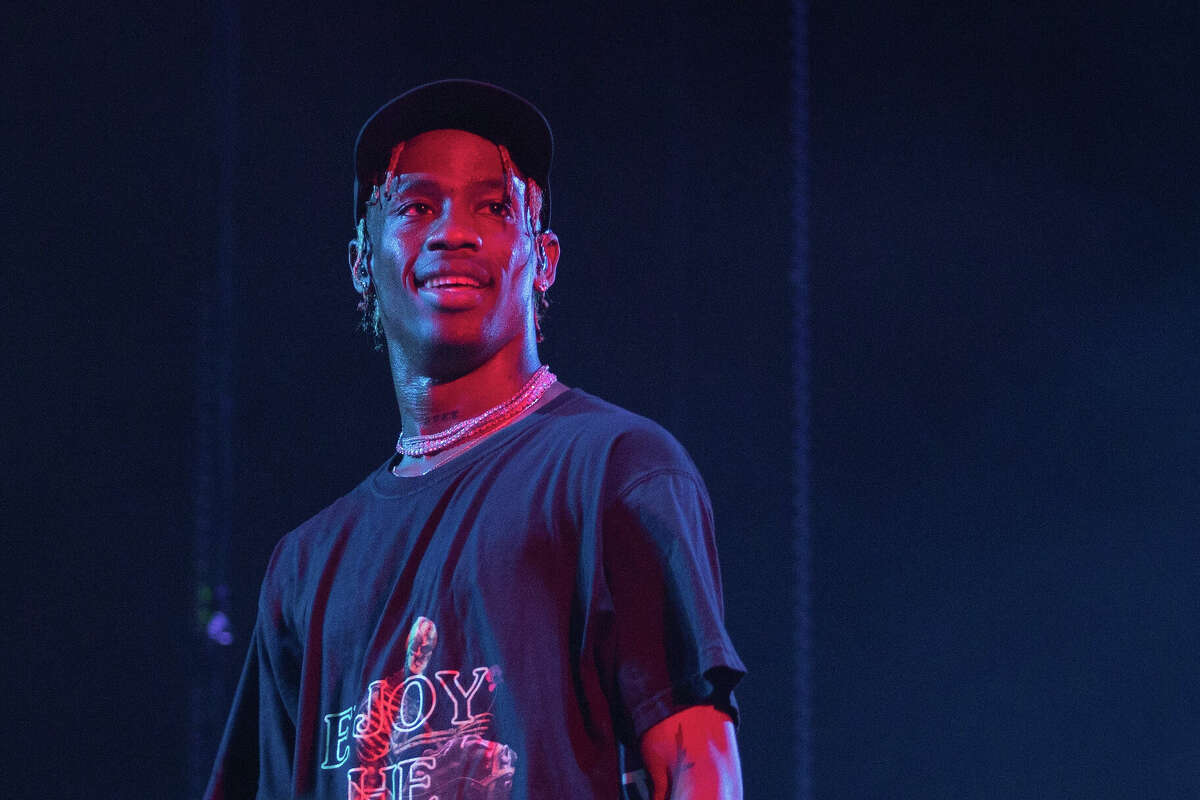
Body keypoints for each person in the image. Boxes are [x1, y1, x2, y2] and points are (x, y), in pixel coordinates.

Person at [204, 79, 745, 800]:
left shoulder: (616, 471)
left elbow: (695, 762)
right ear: (363, 261)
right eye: (418, 206)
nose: (454, 231)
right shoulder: (304, 566)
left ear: (544, 259)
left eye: (493, 207)